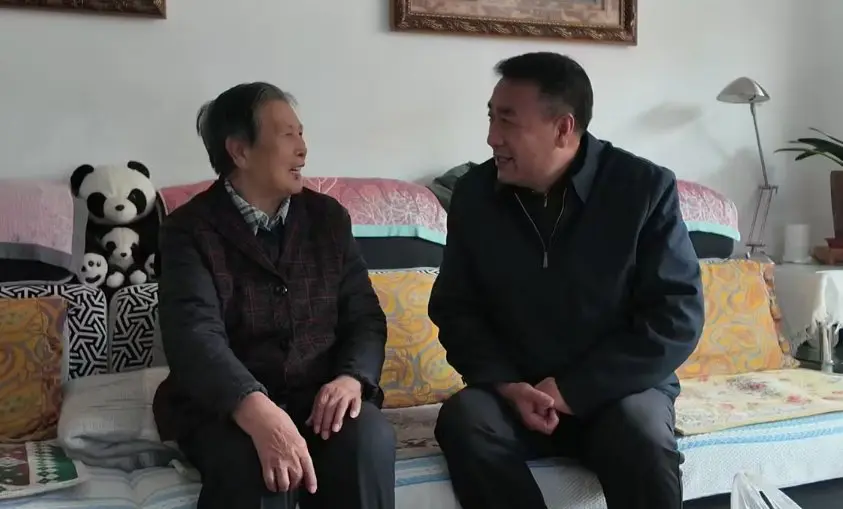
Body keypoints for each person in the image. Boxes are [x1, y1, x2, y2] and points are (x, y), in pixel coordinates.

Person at [429, 52, 705, 509]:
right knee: (465, 418)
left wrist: (574, 391)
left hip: (618, 390)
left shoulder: (642, 189)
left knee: (641, 428)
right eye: (491, 117)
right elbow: (455, 309)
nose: (492, 137)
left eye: (507, 120)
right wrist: (507, 385)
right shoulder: (474, 194)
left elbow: (676, 316)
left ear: (563, 128)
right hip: (517, 395)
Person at [152, 82, 396, 509]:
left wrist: (351, 378)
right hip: (228, 409)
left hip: (319, 399)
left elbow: (364, 317)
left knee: (368, 438)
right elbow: (193, 336)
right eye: (288, 135)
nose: (303, 149)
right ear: (240, 151)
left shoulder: (328, 219)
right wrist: (256, 409)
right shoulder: (187, 230)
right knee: (262, 467)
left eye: (301, 133)